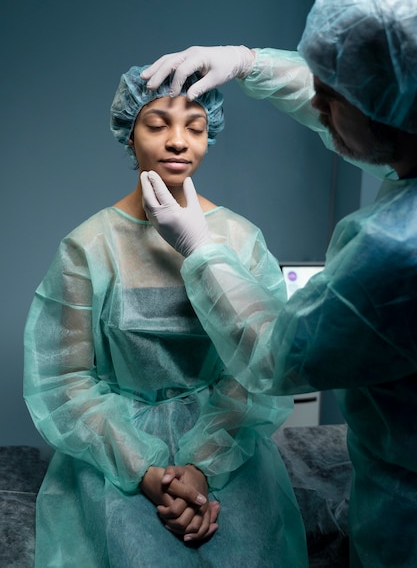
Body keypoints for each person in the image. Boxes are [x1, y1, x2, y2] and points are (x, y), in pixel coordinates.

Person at [140, 0, 417, 568]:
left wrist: (201, 247)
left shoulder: (397, 252)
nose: (315, 99)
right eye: (155, 123)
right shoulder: (405, 124)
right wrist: (249, 62)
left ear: (387, 113)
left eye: (331, 93)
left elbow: (275, 359)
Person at [23, 65, 309, 567]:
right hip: (116, 447)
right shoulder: (89, 246)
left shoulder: (240, 240)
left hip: (227, 441)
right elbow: (63, 378)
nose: (178, 141)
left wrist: (202, 467)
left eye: (195, 127)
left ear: (209, 136)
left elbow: (262, 365)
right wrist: (145, 469)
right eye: (157, 124)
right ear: (128, 135)